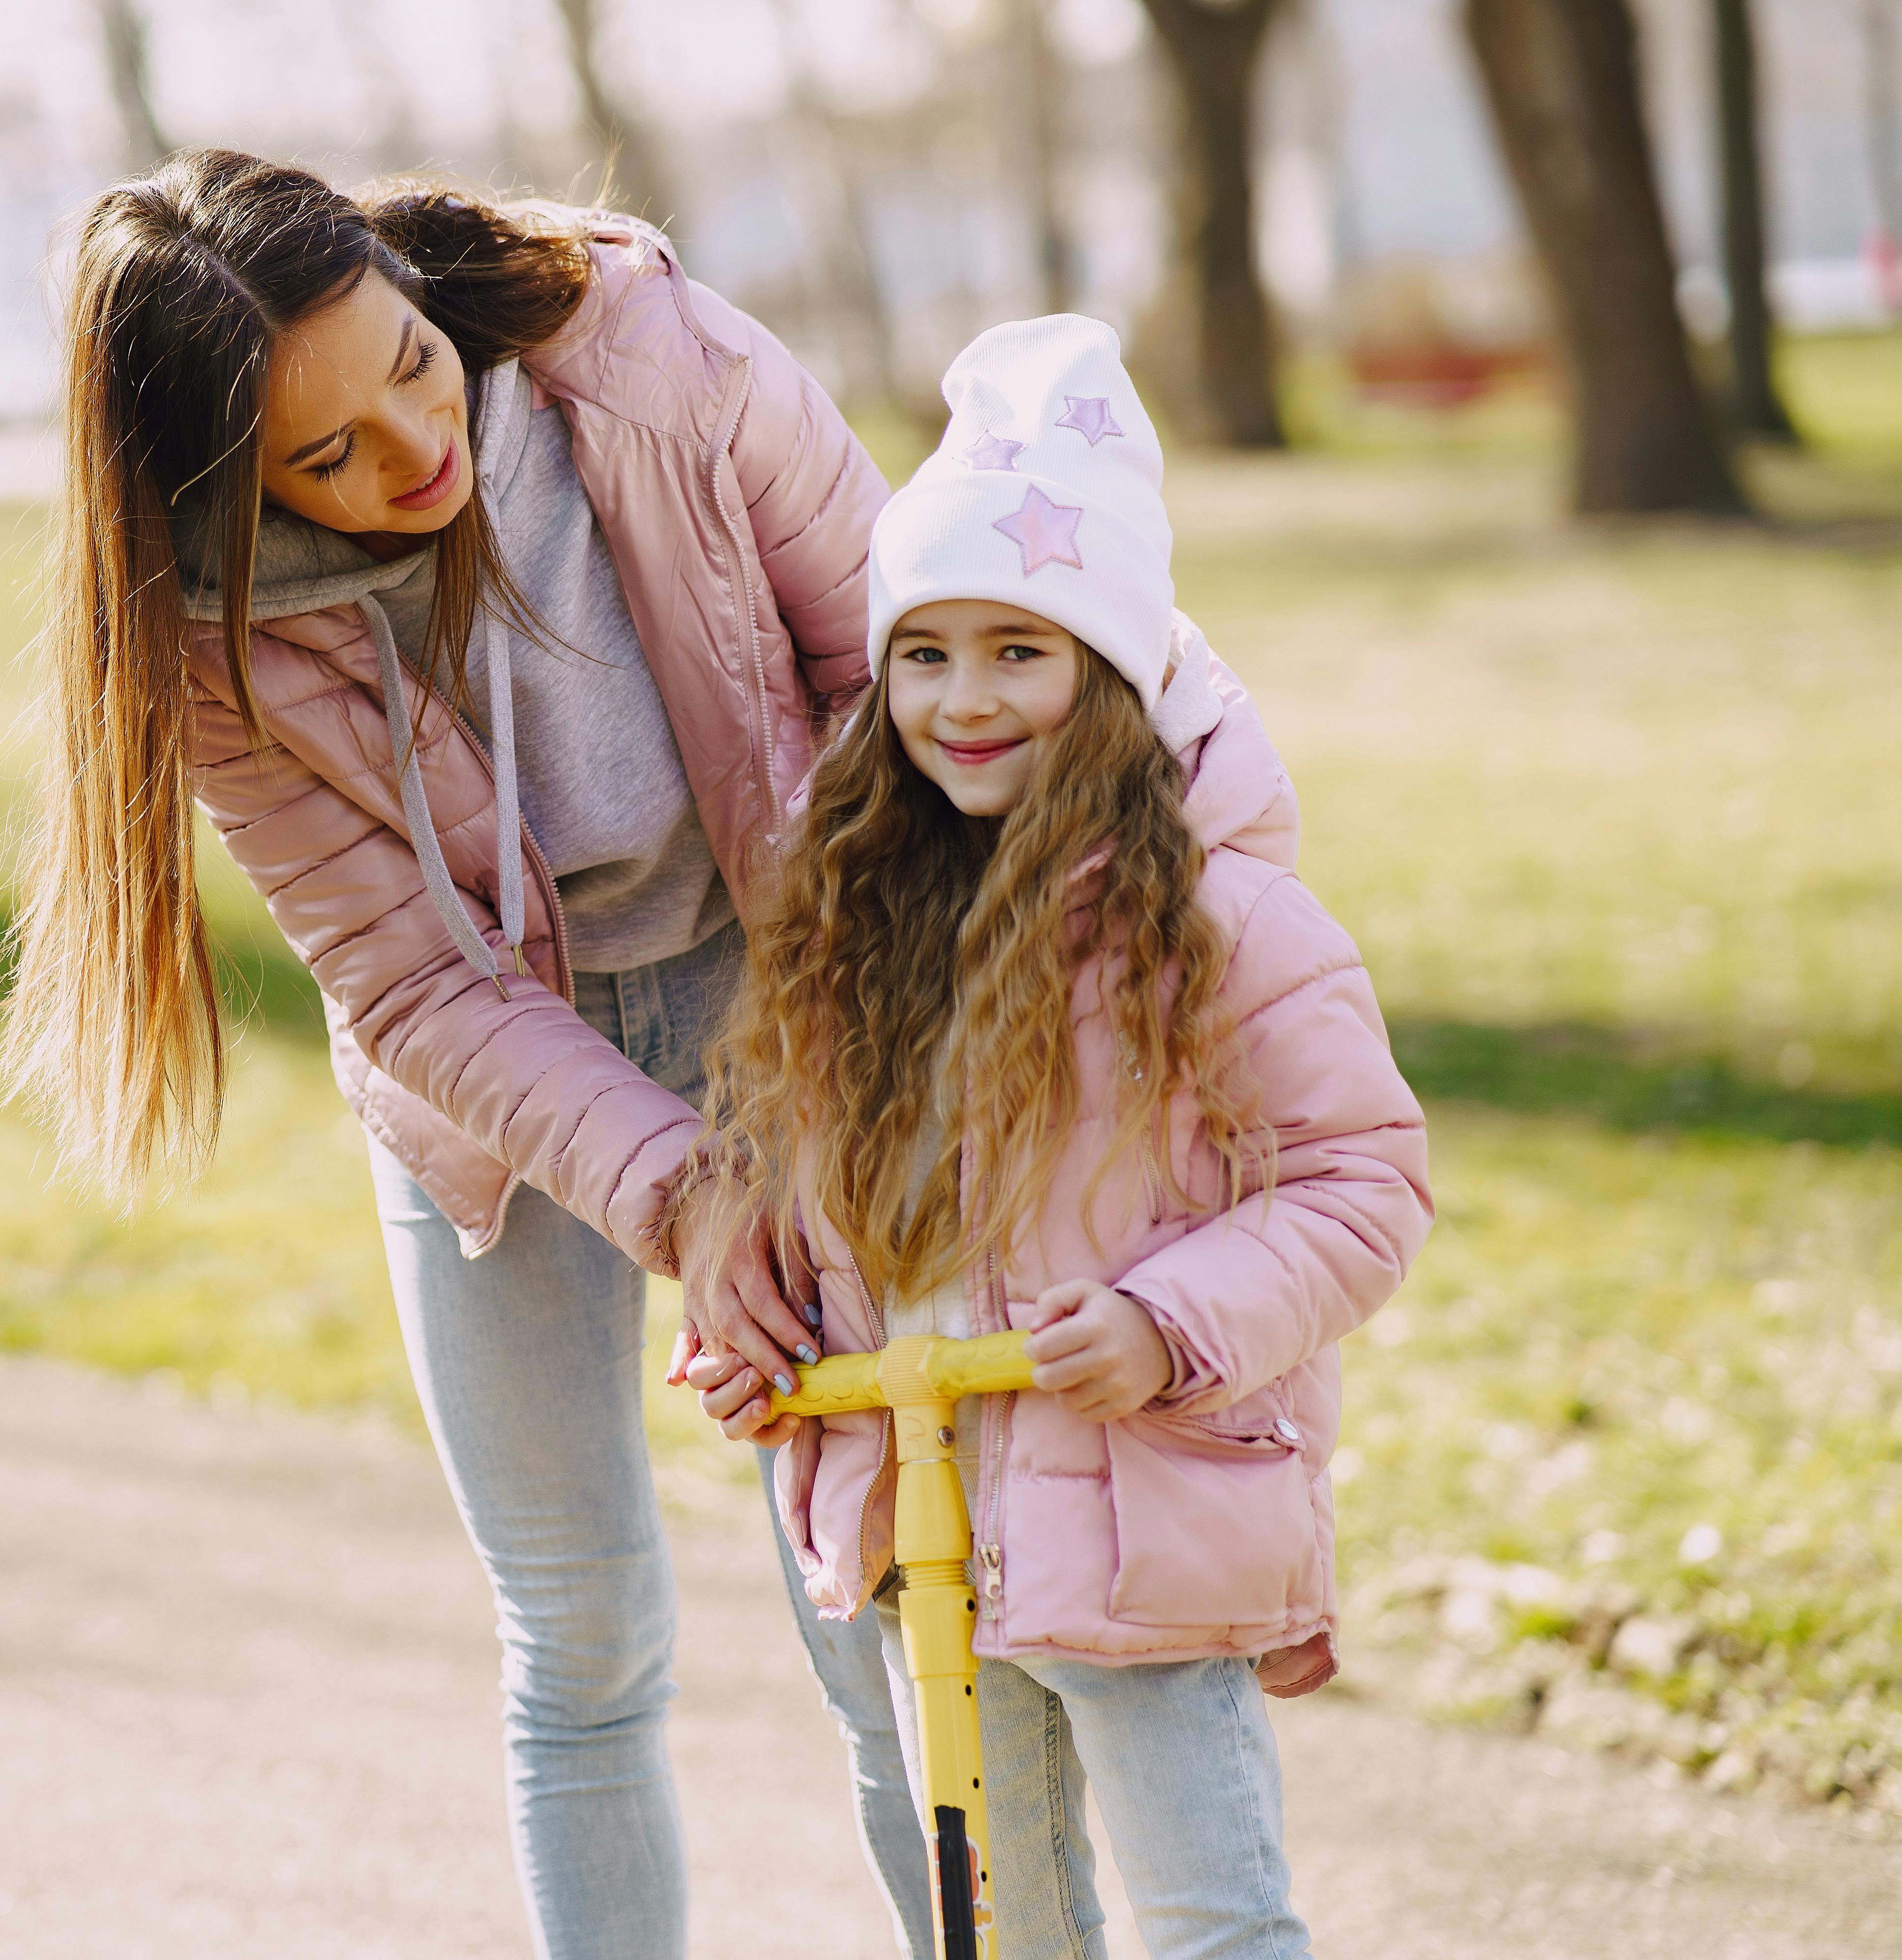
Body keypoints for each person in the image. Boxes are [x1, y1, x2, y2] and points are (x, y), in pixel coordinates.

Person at [0, 149, 938, 1957]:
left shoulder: (660, 365)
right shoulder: (213, 638)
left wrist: (816, 1100)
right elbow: (416, 987)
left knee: (881, 1602)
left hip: (794, 984)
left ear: (411, 288)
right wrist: (681, 1193)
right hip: (489, 1092)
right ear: (221, 487)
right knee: (579, 1632)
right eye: (322, 459)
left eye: (409, 374)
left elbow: (894, 690)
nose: (404, 456)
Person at [687, 315, 1432, 1960]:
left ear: (1114, 671)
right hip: (926, 1523)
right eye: (926, 653)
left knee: (1211, 1920)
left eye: (1021, 652)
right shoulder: (853, 918)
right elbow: (839, 1212)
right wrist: (782, 1356)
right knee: (1004, 1934)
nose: (965, 701)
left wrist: (1174, 1325)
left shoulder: (1222, 921)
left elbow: (1365, 1182)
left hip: (1140, 1507)